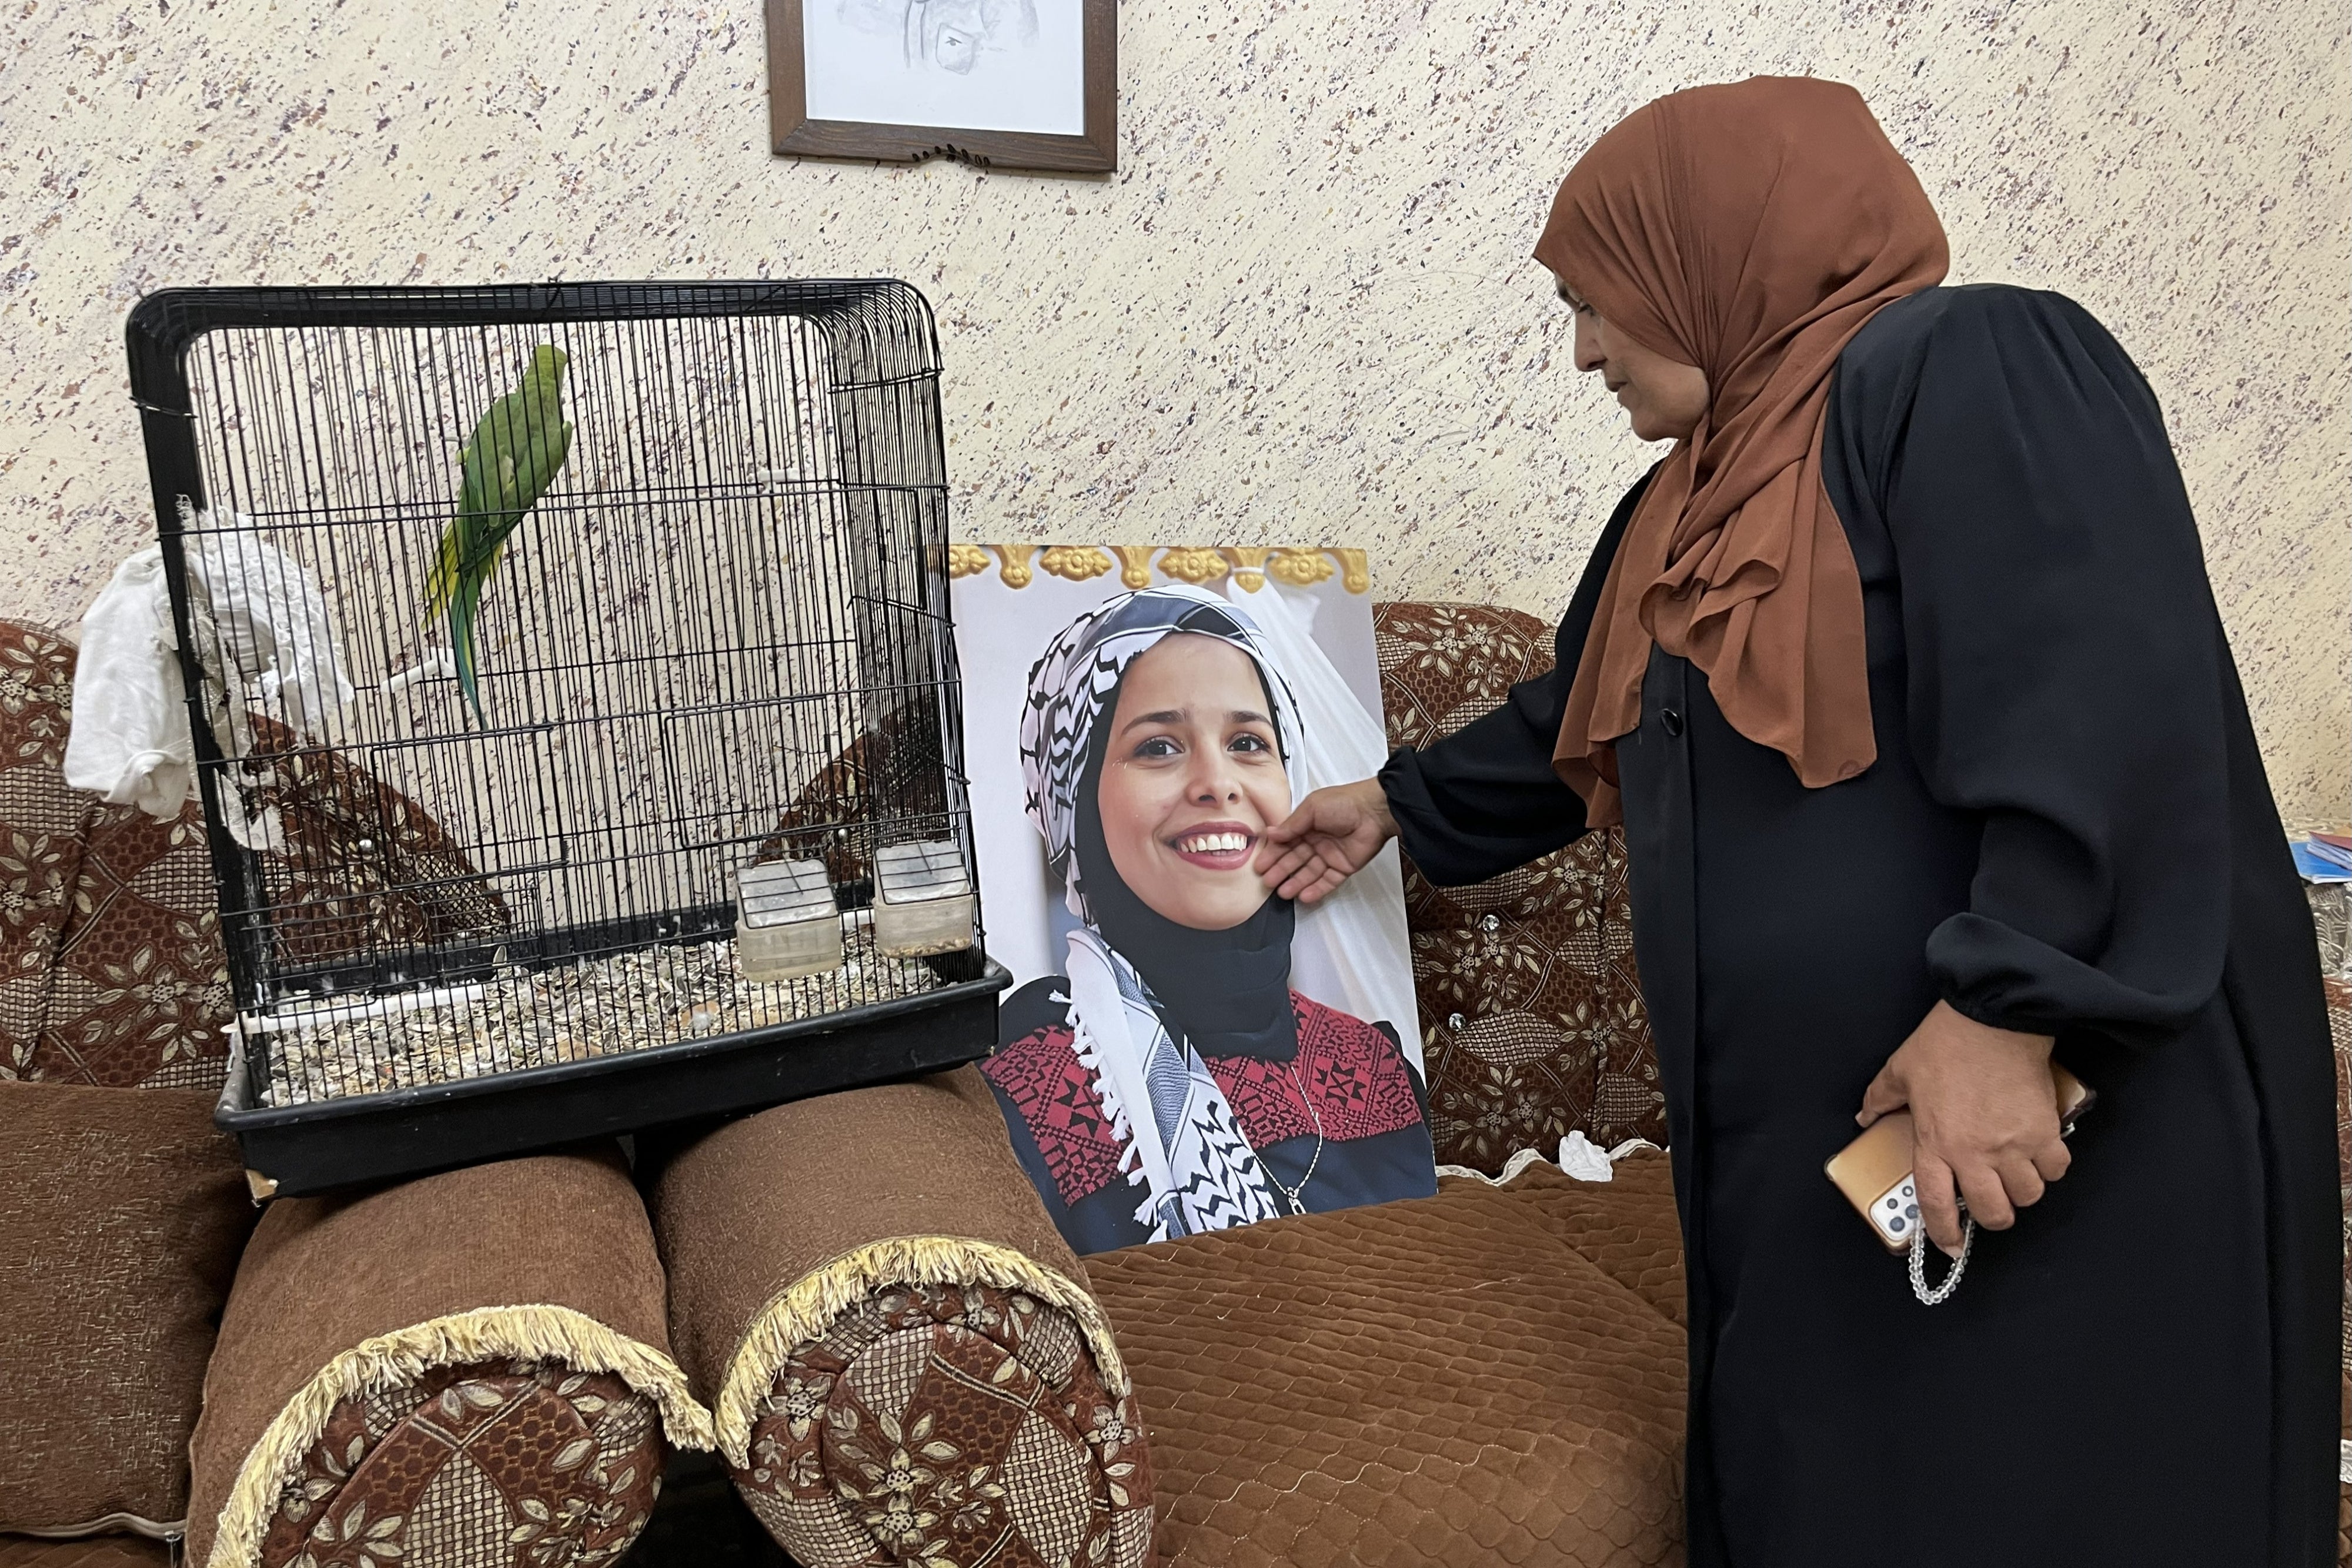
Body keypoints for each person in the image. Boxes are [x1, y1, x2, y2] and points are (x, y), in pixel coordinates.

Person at [1255, 76, 2338, 1567]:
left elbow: (2099, 700)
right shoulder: (1684, 505)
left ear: (1708, 253)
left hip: (2031, 1109)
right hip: (1836, 1151)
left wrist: (2004, 1016)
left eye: (1595, 299)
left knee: (2060, 1494)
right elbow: (1584, 724)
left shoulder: (1971, 365)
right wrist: (1385, 805)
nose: (1580, 351)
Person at [983, 585, 1438, 1255]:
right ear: (1079, 805)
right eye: (1159, 748)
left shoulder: (1375, 1063)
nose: (1216, 782)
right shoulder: (1031, 1094)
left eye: (1249, 742)